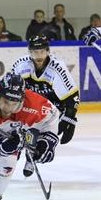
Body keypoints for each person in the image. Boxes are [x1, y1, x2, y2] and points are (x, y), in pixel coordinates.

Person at [11, 35, 80, 176]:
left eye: (42, 52)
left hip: (53, 108)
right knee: (15, 132)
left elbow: (72, 96)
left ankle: (31, 155)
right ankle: (12, 154)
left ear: (48, 51)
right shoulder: (21, 65)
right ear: (29, 52)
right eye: (35, 52)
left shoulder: (57, 68)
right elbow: (10, 90)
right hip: (29, 105)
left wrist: (70, 119)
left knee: (44, 139)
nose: (39, 56)